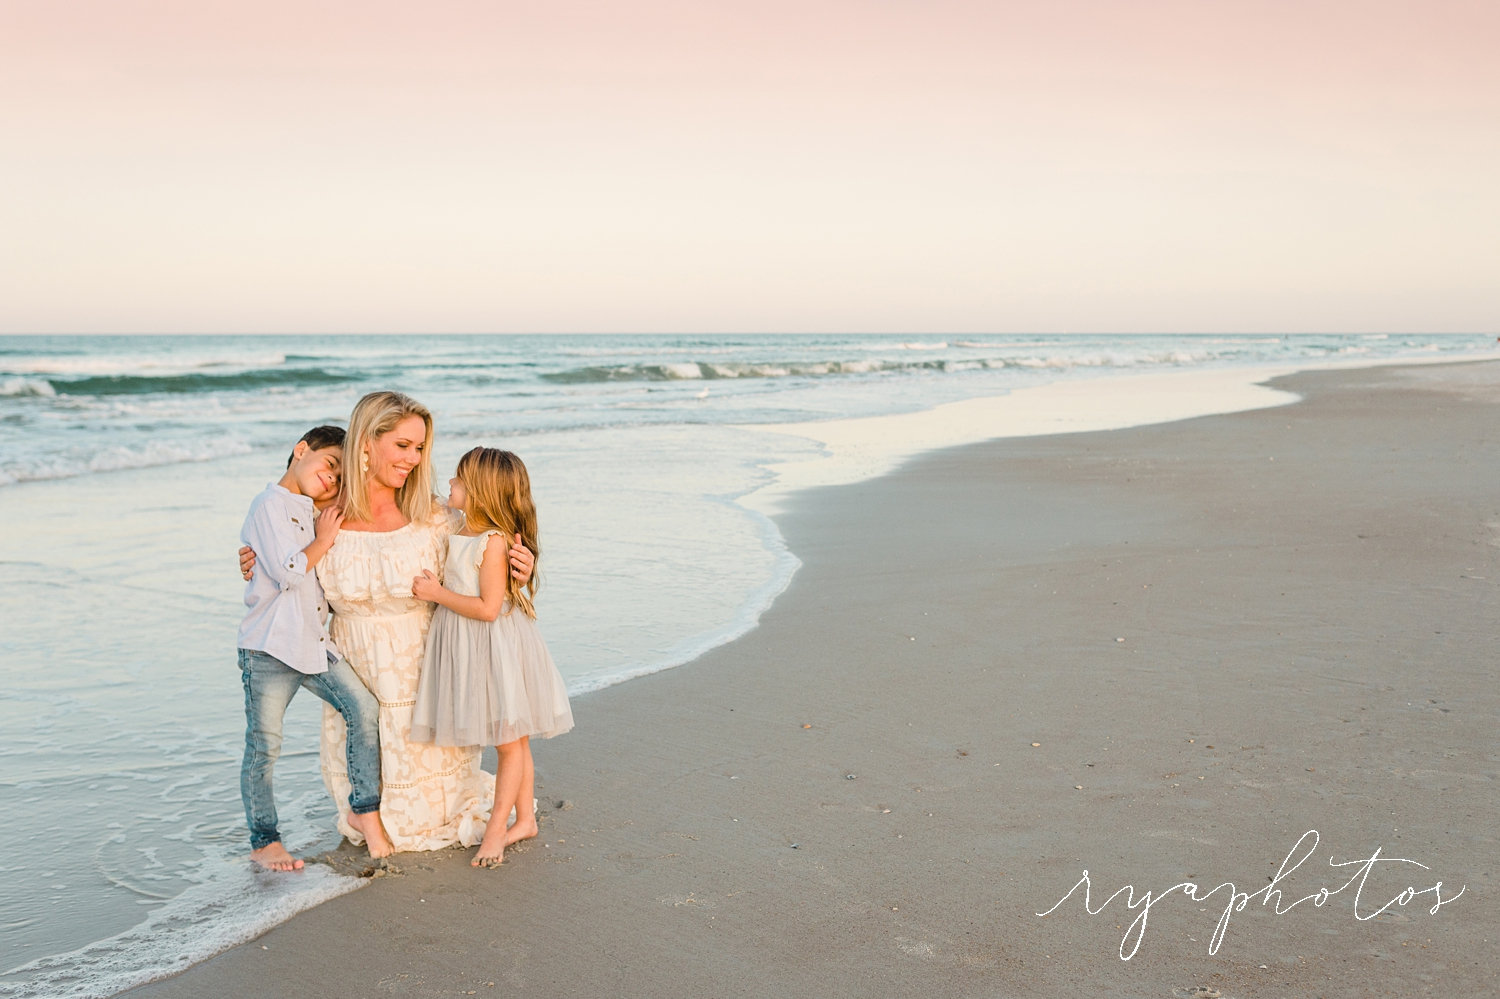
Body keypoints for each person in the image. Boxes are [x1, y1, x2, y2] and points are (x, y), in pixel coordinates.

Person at [237, 425, 394, 871]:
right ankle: (264, 839)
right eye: (329, 466)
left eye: (341, 478)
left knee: (364, 709)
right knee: (264, 745)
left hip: (313, 644)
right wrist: (322, 539)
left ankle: (364, 810)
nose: (332, 480)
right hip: (268, 649)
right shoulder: (269, 504)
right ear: (300, 450)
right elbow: (289, 572)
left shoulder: (315, 508)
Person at [410, 447, 574, 867]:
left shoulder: (493, 541)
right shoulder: (460, 531)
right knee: (513, 740)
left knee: (507, 743)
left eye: (459, 480)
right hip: (473, 643)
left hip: (493, 645)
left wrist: (435, 594)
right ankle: (526, 820)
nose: (450, 483)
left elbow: (487, 607)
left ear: (480, 492)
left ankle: (498, 829)